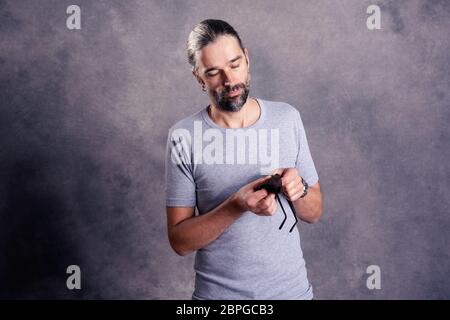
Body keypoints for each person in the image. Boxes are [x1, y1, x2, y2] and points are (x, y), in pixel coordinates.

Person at [165, 19, 323, 300]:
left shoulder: (287, 118)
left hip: (293, 294)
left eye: (235, 65)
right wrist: (236, 205)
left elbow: (314, 212)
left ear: (247, 59)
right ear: (199, 78)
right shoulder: (183, 136)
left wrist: (298, 189)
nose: (229, 81)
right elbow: (180, 242)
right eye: (214, 72)